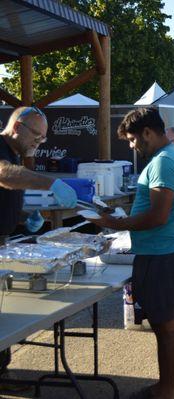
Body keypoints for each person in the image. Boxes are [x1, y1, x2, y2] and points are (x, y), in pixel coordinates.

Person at [86, 107, 174, 399]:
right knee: (165, 321)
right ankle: (167, 386)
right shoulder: (171, 157)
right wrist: (121, 217)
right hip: (165, 252)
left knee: (165, 323)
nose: (132, 146)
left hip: (161, 255)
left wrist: (114, 223)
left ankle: (166, 389)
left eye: (133, 139)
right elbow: (156, 212)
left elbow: (158, 215)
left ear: (147, 132)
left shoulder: (162, 163)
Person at [0, 106, 77, 392]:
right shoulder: (3, 153)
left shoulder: (15, 154)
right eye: (37, 136)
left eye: (43, 139)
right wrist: (51, 182)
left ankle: (2, 375)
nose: (38, 143)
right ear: (18, 126)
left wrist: (24, 217)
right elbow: (4, 175)